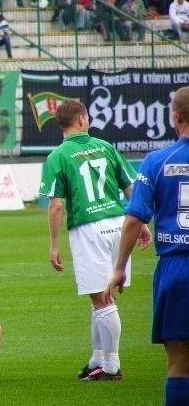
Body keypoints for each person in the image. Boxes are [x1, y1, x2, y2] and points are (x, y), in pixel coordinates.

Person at [39, 100, 151, 381]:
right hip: (119, 223)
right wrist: (142, 223)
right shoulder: (105, 146)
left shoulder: (57, 156)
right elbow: (130, 188)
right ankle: (97, 359)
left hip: (89, 229)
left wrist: (54, 244)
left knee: (102, 300)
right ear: (81, 120)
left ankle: (112, 366)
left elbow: (55, 205)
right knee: (100, 299)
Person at [104, 86, 189, 405]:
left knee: (179, 363)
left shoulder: (156, 161)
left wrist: (119, 269)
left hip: (176, 269)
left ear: (176, 117)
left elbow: (133, 219)